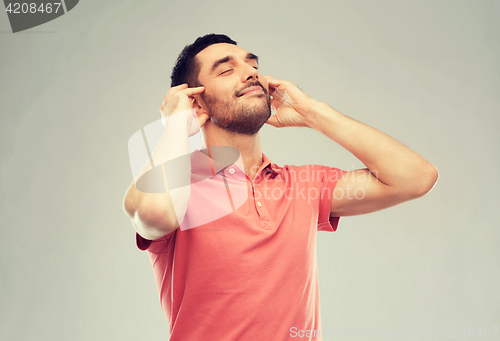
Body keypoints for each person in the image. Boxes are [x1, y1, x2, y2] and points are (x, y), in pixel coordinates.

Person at [123, 34, 438, 341]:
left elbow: (415, 178)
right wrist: (177, 121)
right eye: (226, 69)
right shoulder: (175, 187)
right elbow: (154, 214)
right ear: (196, 100)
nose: (251, 73)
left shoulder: (303, 185)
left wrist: (312, 114)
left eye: (252, 65)